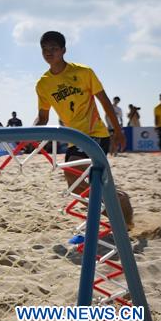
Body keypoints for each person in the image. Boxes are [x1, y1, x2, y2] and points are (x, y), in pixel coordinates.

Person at [33, 31, 133, 228]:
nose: (49, 52)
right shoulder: (43, 84)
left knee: (74, 174)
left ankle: (118, 213)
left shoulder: (83, 72)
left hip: (95, 134)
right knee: (77, 186)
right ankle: (120, 208)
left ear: (63, 50)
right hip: (74, 138)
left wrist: (118, 131)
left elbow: (105, 101)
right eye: (45, 49)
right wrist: (32, 132)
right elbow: (43, 117)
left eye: (53, 48)